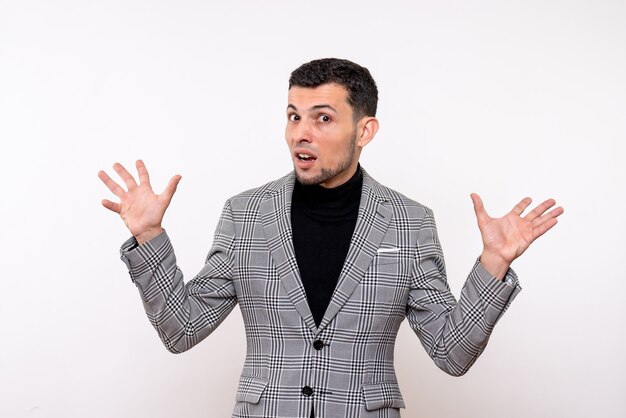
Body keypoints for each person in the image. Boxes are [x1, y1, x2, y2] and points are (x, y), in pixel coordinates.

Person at [98, 58, 563, 418]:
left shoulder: (409, 221)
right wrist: (150, 236)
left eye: (322, 119)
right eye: (293, 115)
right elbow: (182, 330)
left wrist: (494, 263)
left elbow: (451, 352)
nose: (301, 133)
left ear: (365, 130)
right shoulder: (246, 214)